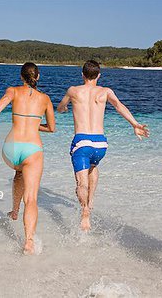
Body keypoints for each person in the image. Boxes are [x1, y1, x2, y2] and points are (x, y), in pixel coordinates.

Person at [57, 60, 149, 231]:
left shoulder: (73, 91)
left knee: (81, 183)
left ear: (82, 74)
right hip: (100, 144)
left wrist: (64, 109)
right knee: (93, 166)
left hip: (82, 142)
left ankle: (85, 212)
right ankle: (91, 201)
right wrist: (135, 124)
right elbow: (119, 106)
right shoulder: (105, 92)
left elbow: (60, 107)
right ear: (99, 75)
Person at [0, 62, 55, 255]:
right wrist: (35, 124)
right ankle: (28, 242)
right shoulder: (45, 99)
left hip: (10, 149)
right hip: (32, 150)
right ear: (38, 77)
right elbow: (52, 128)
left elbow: (4, 99)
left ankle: (14, 211)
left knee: (19, 173)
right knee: (32, 198)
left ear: (21, 77)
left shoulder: (13, 90)